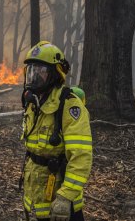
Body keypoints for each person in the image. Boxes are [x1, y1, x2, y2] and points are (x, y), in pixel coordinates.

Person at [20, 41, 92, 221]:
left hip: (61, 206)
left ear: (54, 74)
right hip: (37, 198)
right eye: (31, 70)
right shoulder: (34, 104)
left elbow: (81, 156)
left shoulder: (69, 105)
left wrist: (65, 197)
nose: (34, 76)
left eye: (40, 71)